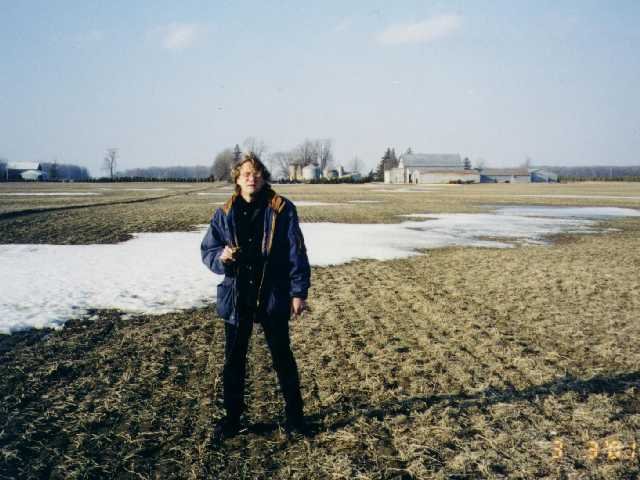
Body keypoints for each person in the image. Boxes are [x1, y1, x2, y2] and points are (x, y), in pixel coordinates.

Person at [200, 152, 311, 443]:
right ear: (237, 178)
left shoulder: (281, 208)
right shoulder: (224, 212)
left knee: (282, 357)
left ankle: (295, 418)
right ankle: (232, 419)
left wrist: (298, 292)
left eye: (258, 172)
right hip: (238, 296)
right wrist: (221, 257)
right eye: (247, 173)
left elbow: (296, 253)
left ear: (264, 177)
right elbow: (208, 250)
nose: (253, 178)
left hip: (272, 293)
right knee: (233, 361)